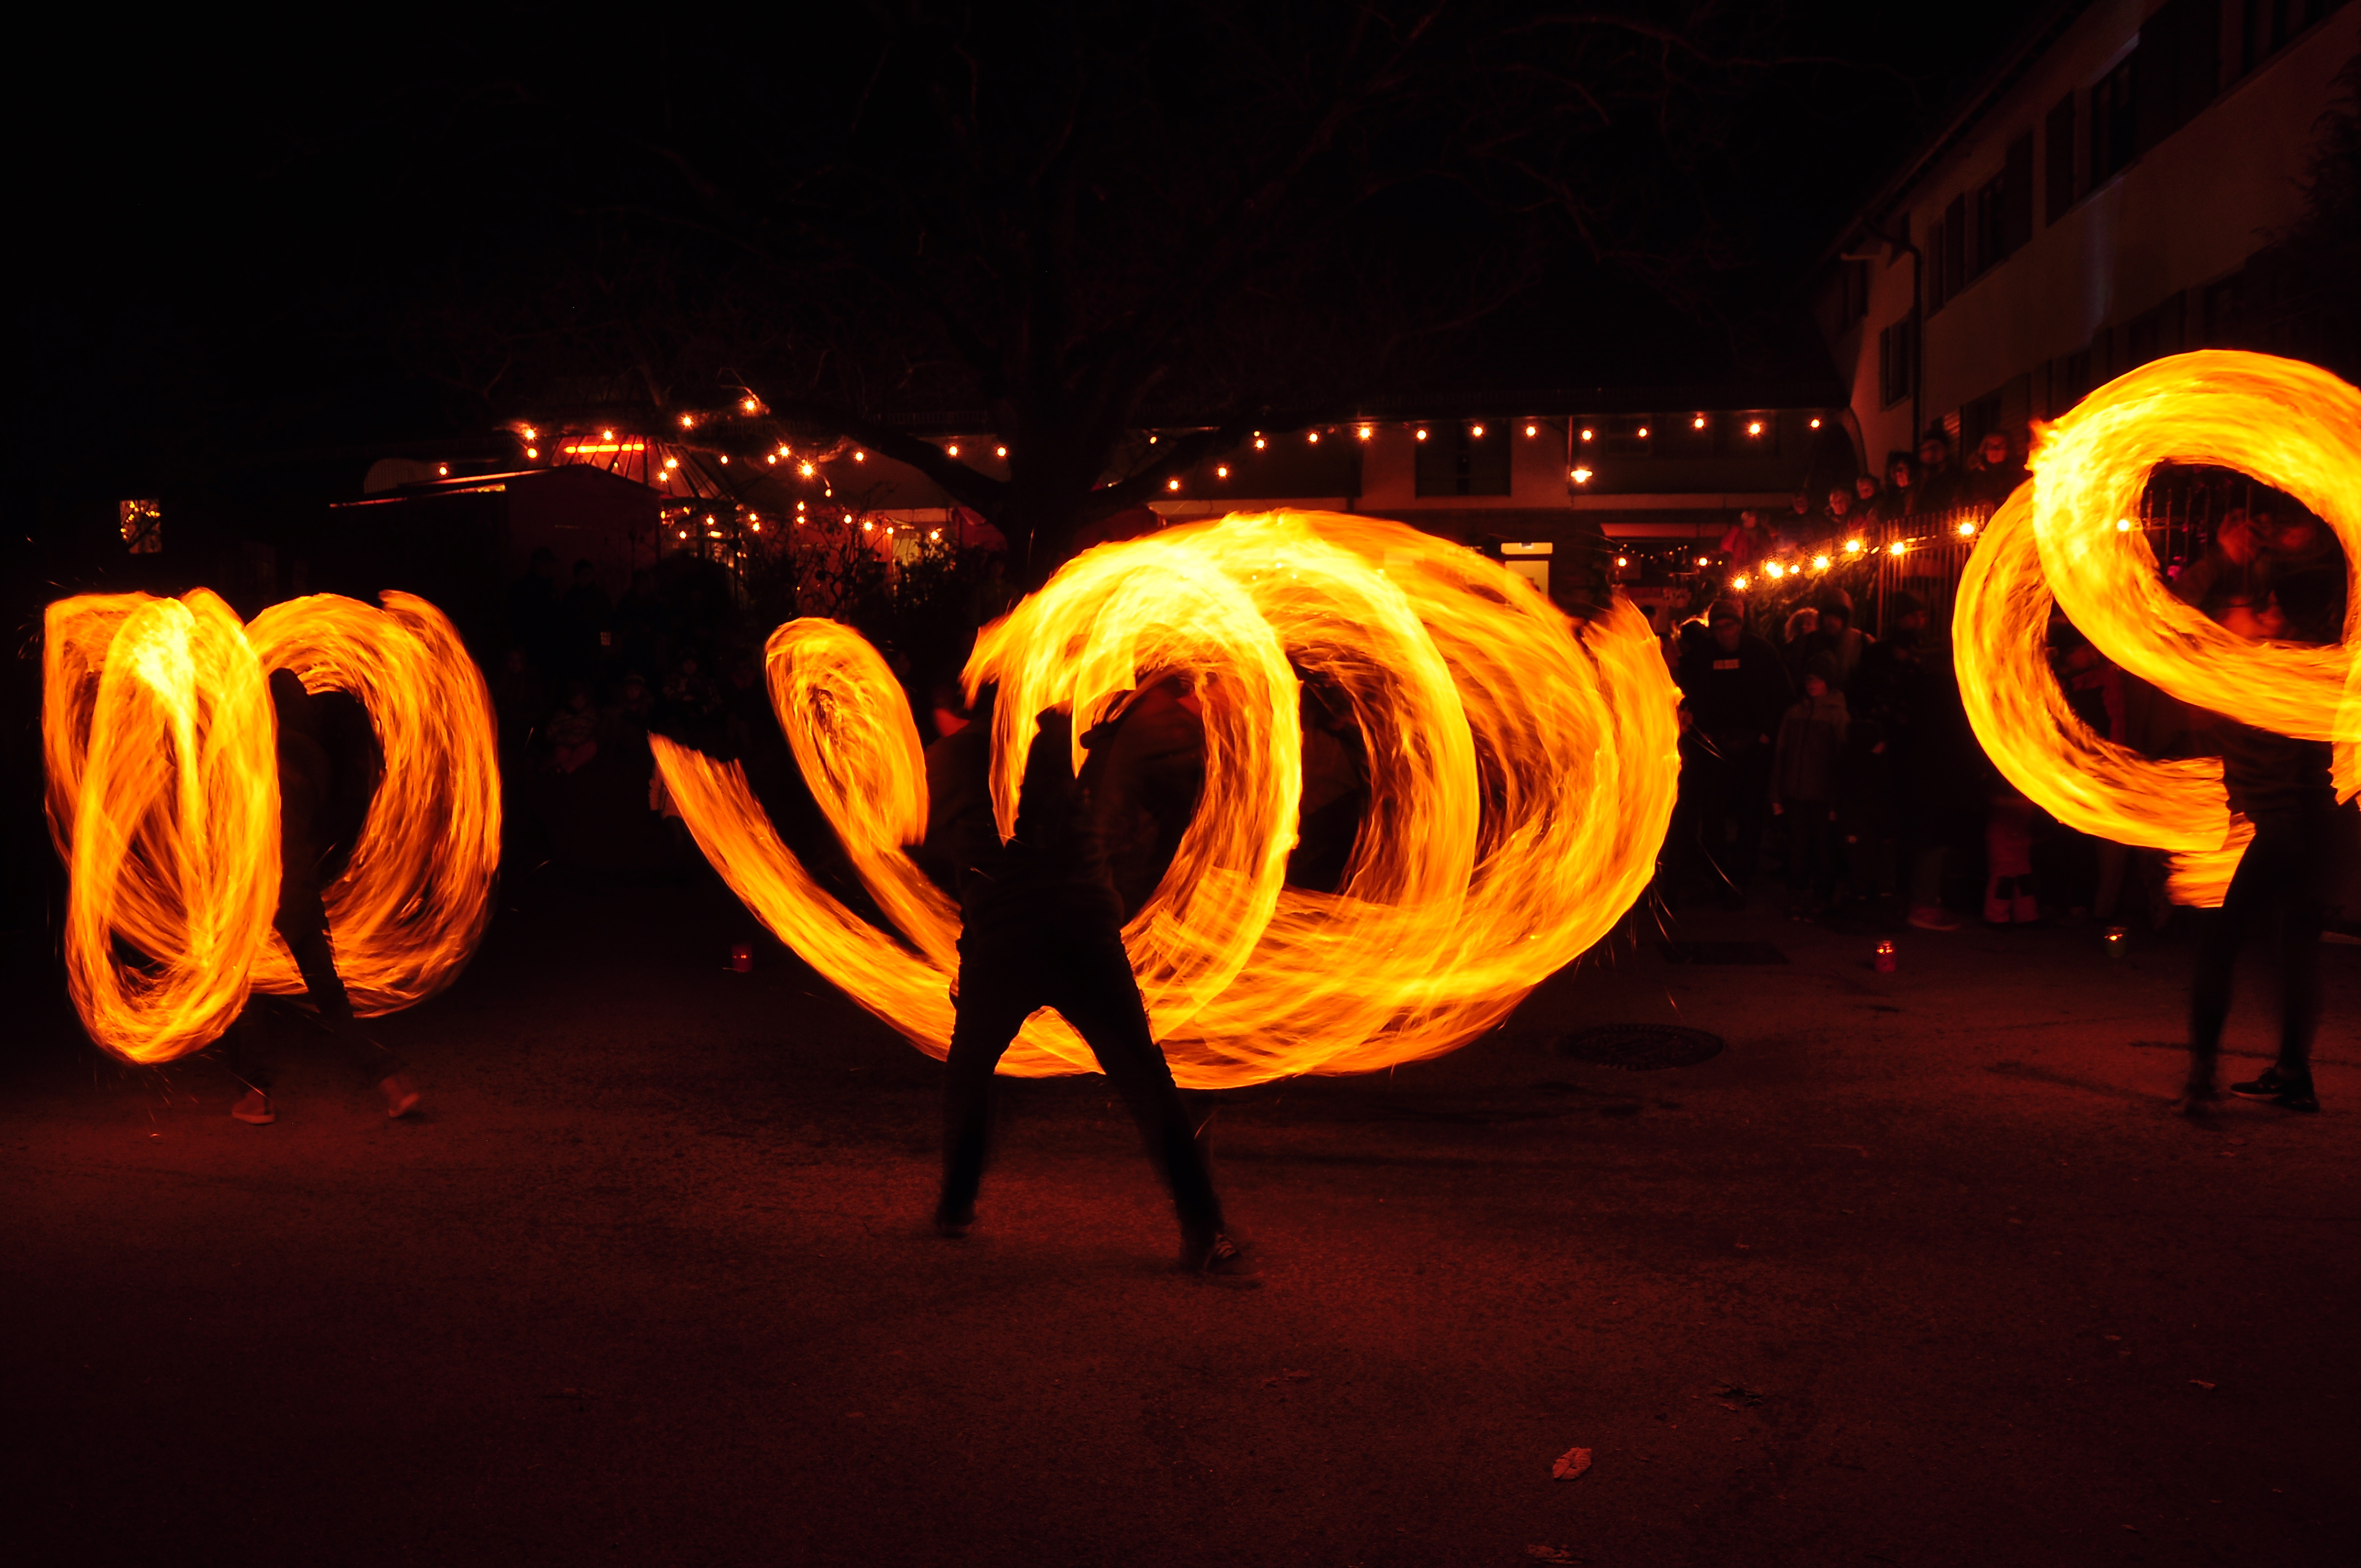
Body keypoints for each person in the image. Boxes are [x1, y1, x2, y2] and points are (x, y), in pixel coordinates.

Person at [922, 690, 1257, 1281]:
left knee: (970, 1074)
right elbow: (1091, 815)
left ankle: (956, 1207)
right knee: (1146, 1083)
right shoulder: (1060, 739)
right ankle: (1204, 1233)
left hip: (1014, 940)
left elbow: (961, 859)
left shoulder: (957, 758)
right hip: (1078, 934)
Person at [221, 672, 420, 1125]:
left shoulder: (245, 754)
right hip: (297, 889)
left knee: (239, 994)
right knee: (330, 996)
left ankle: (256, 1094)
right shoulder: (312, 760)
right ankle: (391, 1081)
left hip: (252, 890)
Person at [2182, 586, 2334, 1117]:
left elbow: (2171, 622)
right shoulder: (2303, 666)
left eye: (2267, 607)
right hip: (2317, 830)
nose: (2262, 613)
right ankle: (2294, 1075)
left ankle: (2201, 1080)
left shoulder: (2248, 675)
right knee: (2295, 950)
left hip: (2274, 830)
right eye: (2251, 607)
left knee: (2219, 948)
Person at [1677, 599, 1793, 907]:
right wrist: (1702, 731)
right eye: (1717, 628)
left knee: (1749, 812)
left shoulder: (1762, 652)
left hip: (1755, 744)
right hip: (1714, 745)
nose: (1723, 633)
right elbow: (1688, 692)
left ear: (1739, 626)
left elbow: (1781, 694)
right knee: (1712, 813)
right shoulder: (1702, 656)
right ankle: (1717, 876)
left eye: (1728, 626)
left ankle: (1741, 877)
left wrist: (1767, 732)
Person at [1770, 653, 1848, 916]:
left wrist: (1836, 801)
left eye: (1818, 680)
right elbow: (1781, 753)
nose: (1812, 685)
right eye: (1808, 680)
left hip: (1822, 796)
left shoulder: (1838, 716)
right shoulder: (1795, 712)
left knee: (1823, 847)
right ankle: (1798, 892)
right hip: (1795, 793)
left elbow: (1841, 761)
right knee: (1798, 846)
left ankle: (1823, 895)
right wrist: (1776, 793)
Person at [1966, 429, 2028, 509]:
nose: (1995, 450)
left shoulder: (2018, 476)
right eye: (1990, 447)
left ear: (2009, 450)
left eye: (2001, 447)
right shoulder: (1972, 479)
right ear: (1984, 450)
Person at [1914, 431, 1963, 515]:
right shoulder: (1917, 481)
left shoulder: (1958, 479)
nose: (1929, 454)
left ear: (1946, 450)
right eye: (1925, 450)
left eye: (1934, 448)